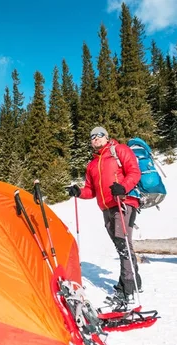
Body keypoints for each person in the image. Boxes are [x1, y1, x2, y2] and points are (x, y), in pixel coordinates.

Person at [66, 126, 142, 305]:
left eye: (99, 135)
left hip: (124, 202)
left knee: (123, 244)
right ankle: (134, 279)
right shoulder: (92, 164)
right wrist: (78, 192)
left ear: (106, 137)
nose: (95, 139)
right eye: (92, 137)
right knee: (120, 244)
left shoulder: (119, 150)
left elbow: (134, 172)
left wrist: (123, 187)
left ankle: (127, 289)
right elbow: (90, 190)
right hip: (106, 208)